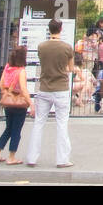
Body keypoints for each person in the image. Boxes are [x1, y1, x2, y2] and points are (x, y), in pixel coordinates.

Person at [26, 18, 75, 167]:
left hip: (44, 88)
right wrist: (62, 70)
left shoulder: (42, 47)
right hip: (61, 88)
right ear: (60, 29)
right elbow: (71, 68)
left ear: (49, 29)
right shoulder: (67, 47)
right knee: (62, 123)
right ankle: (62, 159)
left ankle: (31, 158)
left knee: (39, 123)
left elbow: (44, 64)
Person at [0, 46, 32, 164]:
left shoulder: (8, 67)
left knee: (8, 129)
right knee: (16, 131)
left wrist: (7, 93)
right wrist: (31, 103)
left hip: (8, 103)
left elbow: (1, 84)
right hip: (19, 104)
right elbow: (24, 89)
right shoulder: (21, 71)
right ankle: (11, 157)